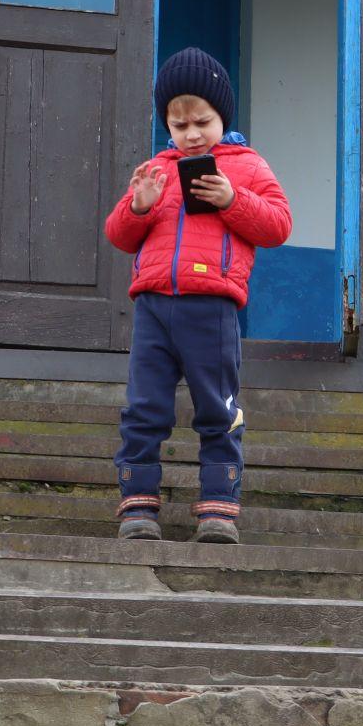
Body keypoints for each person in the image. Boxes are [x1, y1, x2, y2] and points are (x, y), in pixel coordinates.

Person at [106, 48, 292, 544]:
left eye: (202, 122)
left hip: (212, 307)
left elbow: (277, 225)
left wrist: (233, 198)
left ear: (222, 117)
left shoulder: (247, 166)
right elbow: (119, 235)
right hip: (153, 309)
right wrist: (139, 207)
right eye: (179, 123)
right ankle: (138, 509)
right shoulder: (156, 169)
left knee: (217, 409)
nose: (190, 134)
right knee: (144, 409)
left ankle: (218, 511)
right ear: (166, 122)